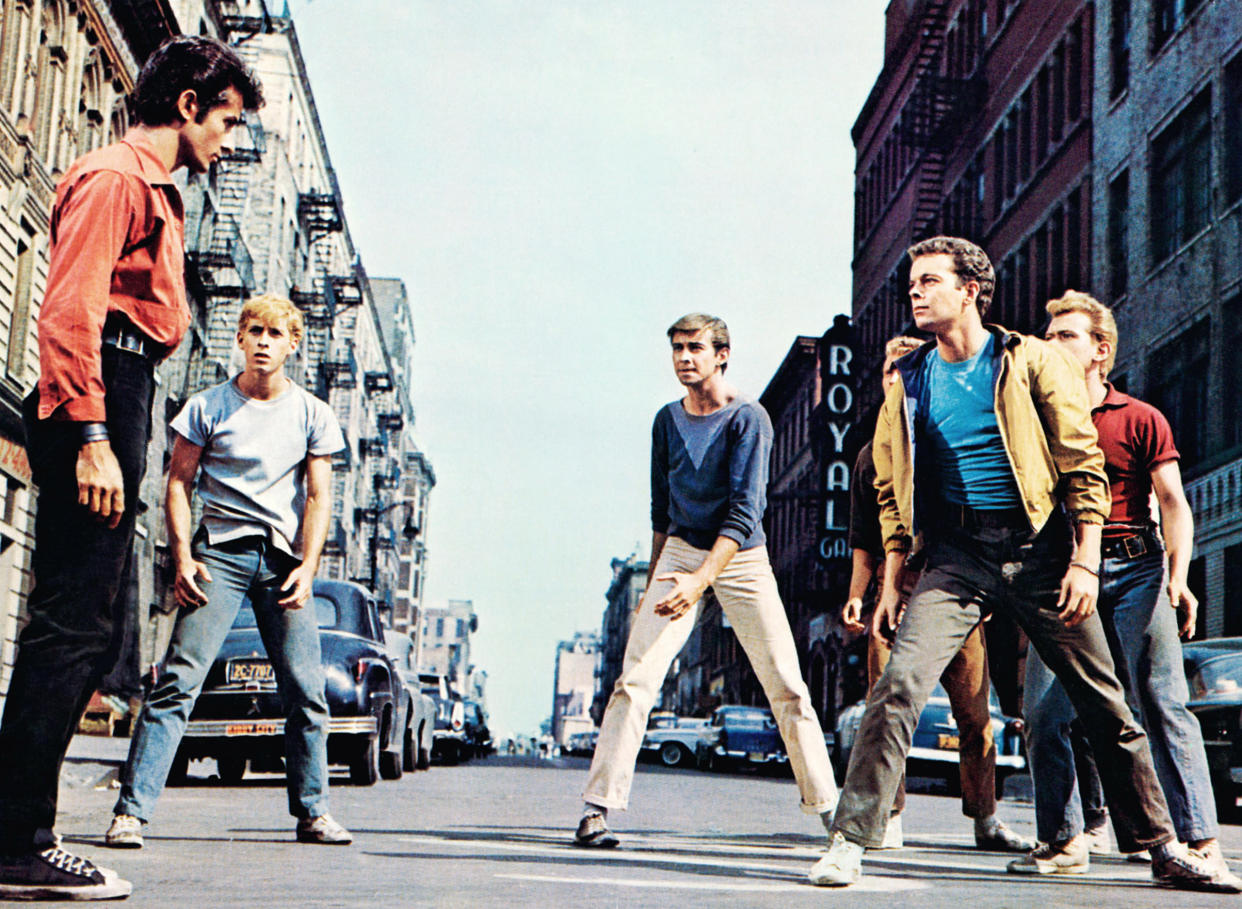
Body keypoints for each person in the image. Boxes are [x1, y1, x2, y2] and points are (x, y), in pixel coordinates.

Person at [809, 236, 1232, 892]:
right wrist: (894, 578)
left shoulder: (1029, 360)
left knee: (1103, 701)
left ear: (970, 290)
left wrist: (1084, 561)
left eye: (929, 281)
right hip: (956, 556)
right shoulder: (912, 380)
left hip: (1039, 551)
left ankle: (1163, 846)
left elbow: (1080, 459)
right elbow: (892, 491)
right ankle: (850, 838)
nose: (915, 292)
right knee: (897, 686)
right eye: (912, 283)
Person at [0, 36, 262, 901]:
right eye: (225, 119)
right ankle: (16, 839)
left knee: (95, 625)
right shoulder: (118, 179)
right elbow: (69, 309)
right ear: (187, 105)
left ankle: (21, 825)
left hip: (123, 386)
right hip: (99, 388)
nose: (229, 139)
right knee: (72, 621)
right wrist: (91, 433)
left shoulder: (155, 192)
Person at [573, 313, 838, 848]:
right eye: (676, 348)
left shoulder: (750, 419)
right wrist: (657, 579)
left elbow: (744, 513)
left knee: (786, 683)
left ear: (722, 355)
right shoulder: (666, 421)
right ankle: (596, 809)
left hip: (740, 555)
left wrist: (700, 581)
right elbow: (659, 509)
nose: (684, 358)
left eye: (695, 348)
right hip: (679, 549)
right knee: (635, 680)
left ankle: (831, 808)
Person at [1008, 291, 1239, 886]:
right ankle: (1062, 840)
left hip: (1137, 566)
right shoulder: (1033, 420)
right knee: (1044, 711)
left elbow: (1174, 505)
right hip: (1062, 573)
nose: (1051, 344)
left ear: (1099, 351)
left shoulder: (1139, 417)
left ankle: (1202, 844)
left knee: (1163, 700)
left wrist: (1179, 577)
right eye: (1049, 334)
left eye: (1066, 336)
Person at [104, 295, 351, 850]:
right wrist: (184, 558)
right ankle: (130, 813)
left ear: (293, 345)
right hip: (219, 554)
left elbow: (317, 496)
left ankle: (313, 812)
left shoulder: (313, 413)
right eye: (254, 331)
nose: (263, 342)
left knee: (307, 691)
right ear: (239, 339)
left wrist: (309, 567)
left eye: (275, 334)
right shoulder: (207, 406)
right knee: (178, 683)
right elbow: (177, 484)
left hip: (282, 561)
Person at [842, 336, 1030, 853]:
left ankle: (985, 818)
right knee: (888, 703)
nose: (894, 383)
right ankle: (889, 813)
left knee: (974, 712)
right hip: (893, 594)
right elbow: (863, 539)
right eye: (887, 374)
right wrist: (861, 596)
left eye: (903, 374)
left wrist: (985, 584)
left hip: (952, 586)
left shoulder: (948, 441)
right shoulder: (869, 455)